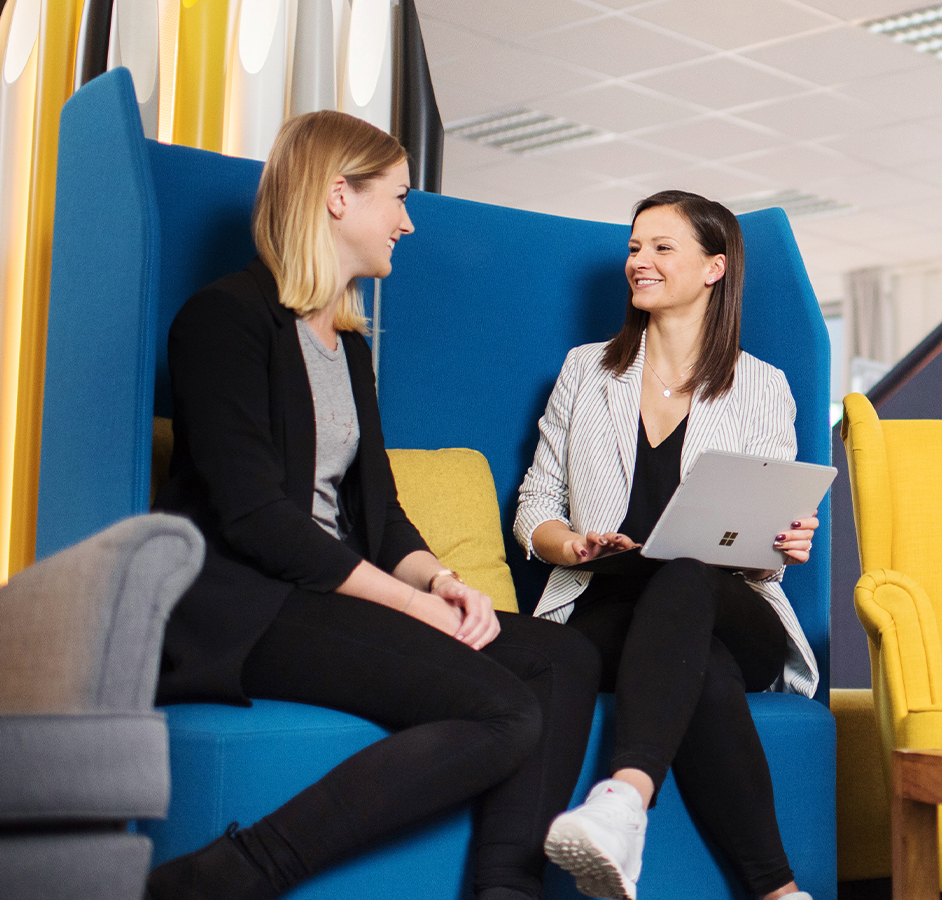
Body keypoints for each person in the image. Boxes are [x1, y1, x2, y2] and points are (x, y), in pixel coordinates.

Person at [146, 110, 600, 900]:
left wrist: (437, 583)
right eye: (396, 197)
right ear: (335, 196)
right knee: (505, 711)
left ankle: (507, 893)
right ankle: (233, 873)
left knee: (566, 659)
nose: (409, 221)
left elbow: (379, 511)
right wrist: (406, 606)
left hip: (330, 594)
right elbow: (255, 518)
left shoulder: (349, 347)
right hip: (250, 606)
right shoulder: (222, 319)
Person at [515, 190, 820, 900]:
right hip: (609, 605)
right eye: (633, 247)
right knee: (699, 668)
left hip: (733, 607)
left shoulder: (762, 387)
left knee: (686, 571)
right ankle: (778, 891)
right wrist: (574, 546)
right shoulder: (585, 371)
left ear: (715, 268)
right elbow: (534, 507)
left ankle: (623, 801)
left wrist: (782, 539)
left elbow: (761, 548)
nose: (639, 262)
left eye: (661, 247)